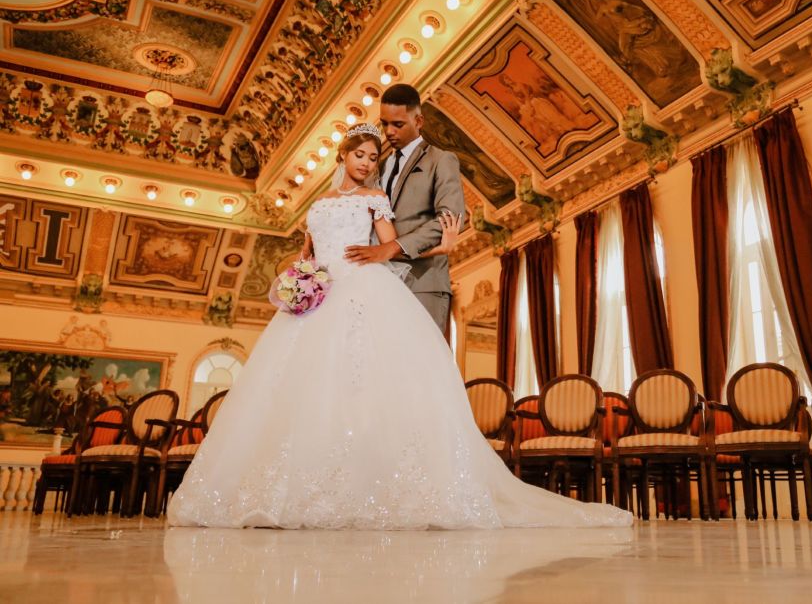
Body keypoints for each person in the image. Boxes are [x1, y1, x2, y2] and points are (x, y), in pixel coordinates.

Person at [167, 125, 631, 530]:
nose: (367, 164)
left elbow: (391, 248)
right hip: (318, 296)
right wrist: (299, 278)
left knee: (364, 384)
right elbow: (307, 254)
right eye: (360, 155)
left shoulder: (375, 199)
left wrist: (443, 245)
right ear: (342, 156)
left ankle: (366, 486)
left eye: (373, 158)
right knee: (303, 388)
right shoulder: (318, 204)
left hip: (362, 287)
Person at [343, 84, 463, 334]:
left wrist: (391, 248)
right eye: (384, 124)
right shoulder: (378, 166)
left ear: (419, 121)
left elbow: (449, 218)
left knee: (420, 357)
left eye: (397, 124)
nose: (389, 132)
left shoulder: (441, 160)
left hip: (423, 285)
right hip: (380, 285)